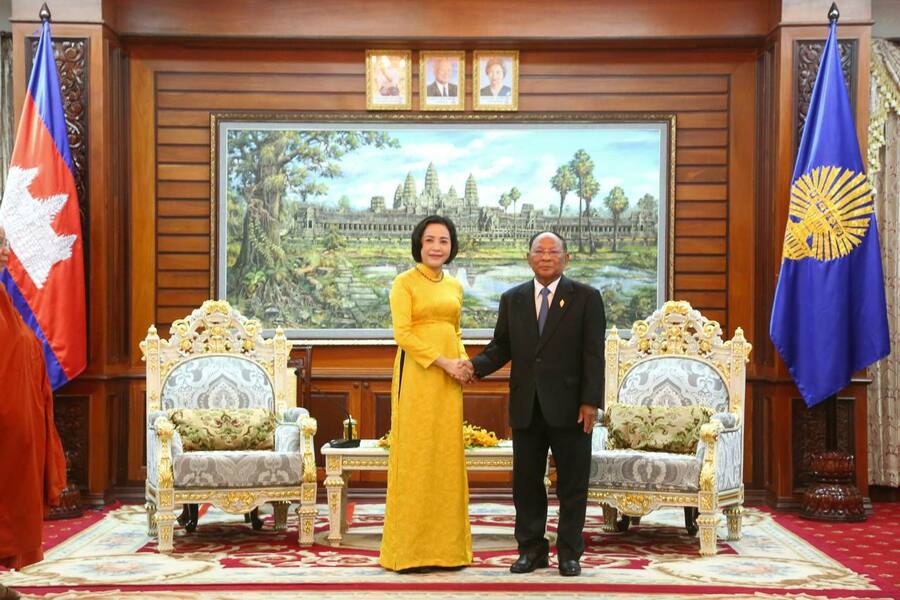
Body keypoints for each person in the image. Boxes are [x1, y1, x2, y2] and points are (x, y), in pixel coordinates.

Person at [468, 231, 605, 577]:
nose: (546, 257)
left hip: (572, 408)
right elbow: (501, 347)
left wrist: (590, 402)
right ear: (528, 257)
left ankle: (569, 553)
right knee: (526, 484)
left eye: (553, 251)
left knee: (572, 484)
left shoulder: (587, 298)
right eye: (539, 251)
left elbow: (594, 354)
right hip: (526, 406)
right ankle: (531, 550)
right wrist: (472, 367)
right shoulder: (512, 299)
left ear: (566, 258)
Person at [379, 215, 473, 572]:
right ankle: (408, 552)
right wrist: (444, 362)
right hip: (418, 376)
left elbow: (455, 331)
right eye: (430, 240)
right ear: (419, 244)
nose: (436, 247)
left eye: (443, 241)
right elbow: (402, 333)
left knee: (446, 457)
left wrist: (463, 363)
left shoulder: (455, 286)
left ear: (452, 247)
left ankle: (449, 552)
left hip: (449, 381)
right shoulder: (404, 282)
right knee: (416, 456)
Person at [0, 226, 67, 581]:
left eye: (5, 243)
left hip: (14, 418)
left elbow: (20, 341)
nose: (5, 251)